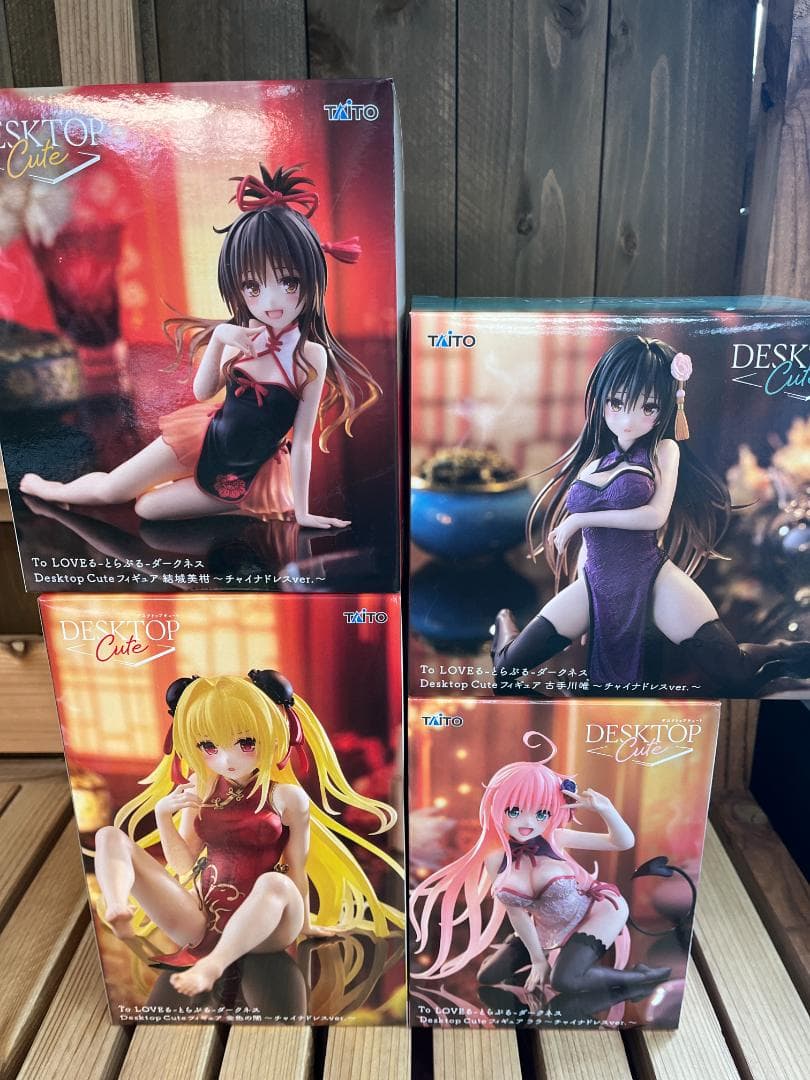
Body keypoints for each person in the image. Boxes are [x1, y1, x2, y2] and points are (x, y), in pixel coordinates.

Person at [21, 164, 380, 529]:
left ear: (312, 276)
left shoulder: (311, 356)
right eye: (253, 287)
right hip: (203, 436)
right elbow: (202, 391)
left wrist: (303, 513)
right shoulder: (241, 334)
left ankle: (246, 503)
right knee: (114, 489)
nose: (271, 302)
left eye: (289, 282)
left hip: (242, 470)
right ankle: (53, 491)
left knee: (148, 509)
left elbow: (302, 441)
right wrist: (222, 337)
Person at [491, 336, 810, 695]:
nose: (628, 421)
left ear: (667, 408)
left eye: (648, 407)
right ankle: (503, 623)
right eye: (616, 403)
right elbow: (592, 542)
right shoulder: (592, 463)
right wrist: (583, 590)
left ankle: (789, 652)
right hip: (595, 581)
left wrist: (580, 520)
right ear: (601, 399)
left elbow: (655, 516)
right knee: (506, 670)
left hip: (652, 579)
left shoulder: (663, 450)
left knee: (734, 672)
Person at [94, 669, 403, 997]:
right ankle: (117, 906)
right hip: (204, 922)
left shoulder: (286, 798)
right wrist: (163, 817)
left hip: (271, 926)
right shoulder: (201, 787)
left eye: (245, 743)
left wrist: (306, 925)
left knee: (274, 882)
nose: (226, 759)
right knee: (108, 836)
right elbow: (184, 865)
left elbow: (296, 866)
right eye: (208, 746)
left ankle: (213, 966)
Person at [409, 732, 670, 998]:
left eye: (541, 813)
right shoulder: (495, 857)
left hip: (595, 912)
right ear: (497, 808)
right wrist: (537, 958)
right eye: (514, 811)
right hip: (544, 926)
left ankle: (640, 977)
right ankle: (536, 954)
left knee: (565, 981)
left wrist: (606, 809)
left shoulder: (555, 837)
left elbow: (621, 842)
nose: (528, 822)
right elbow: (516, 912)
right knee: (487, 976)